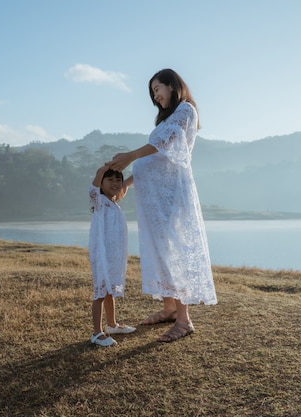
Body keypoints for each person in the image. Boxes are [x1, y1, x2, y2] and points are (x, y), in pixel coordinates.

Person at [106, 68, 217, 343]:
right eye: (153, 93)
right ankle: (169, 309)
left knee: (175, 252)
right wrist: (126, 184)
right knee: (161, 252)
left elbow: (164, 144)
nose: (155, 97)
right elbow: (153, 163)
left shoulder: (186, 111)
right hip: (154, 199)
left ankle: (184, 319)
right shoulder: (164, 120)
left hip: (172, 196)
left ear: (172, 85)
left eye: (157, 89)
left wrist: (131, 155)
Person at [88, 165, 136, 346]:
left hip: (113, 255)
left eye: (118, 180)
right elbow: (94, 184)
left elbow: (131, 181)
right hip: (102, 255)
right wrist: (106, 168)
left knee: (109, 290)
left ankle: (112, 325)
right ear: (101, 183)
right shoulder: (98, 200)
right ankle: (97, 333)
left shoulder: (114, 202)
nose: (115, 183)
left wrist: (141, 165)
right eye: (110, 180)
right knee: (100, 292)